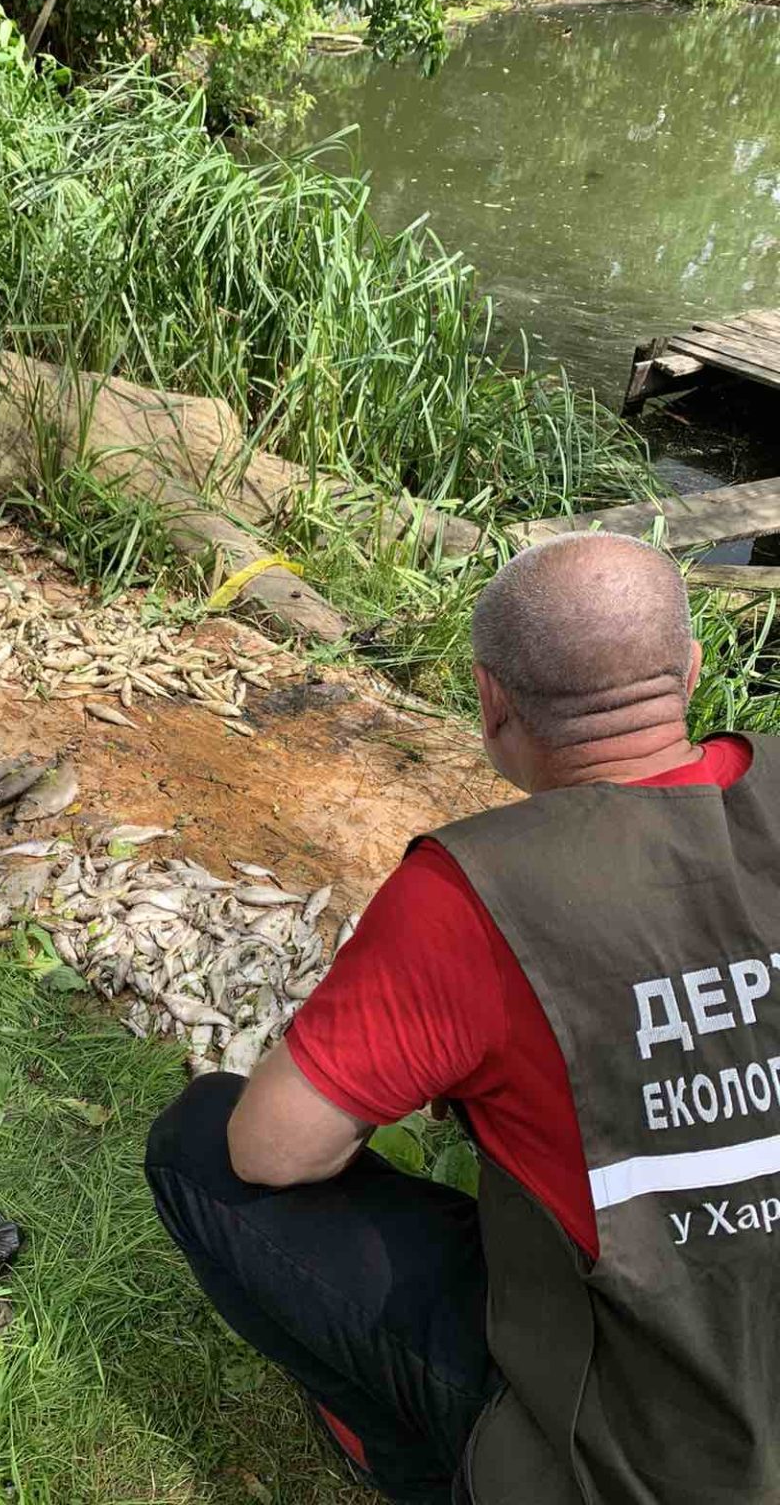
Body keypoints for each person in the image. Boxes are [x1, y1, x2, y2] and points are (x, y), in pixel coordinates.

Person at [146, 531, 780, 1504]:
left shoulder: (476, 893)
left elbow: (273, 1152)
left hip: (645, 1465)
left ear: (490, 702)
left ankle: (419, 1463)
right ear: (692, 671)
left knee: (198, 1144)